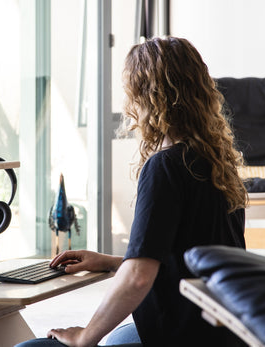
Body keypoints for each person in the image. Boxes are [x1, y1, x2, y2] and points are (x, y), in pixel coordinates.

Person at [16, 36, 247, 347]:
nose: (127, 105)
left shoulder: (164, 166)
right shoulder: (217, 162)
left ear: (147, 98)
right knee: (120, 335)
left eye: (130, 94)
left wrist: (84, 337)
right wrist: (116, 262)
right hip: (223, 332)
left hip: (182, 337)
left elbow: (139, 278)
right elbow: (186, 255)